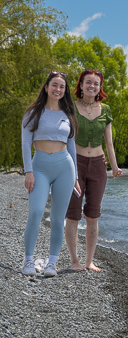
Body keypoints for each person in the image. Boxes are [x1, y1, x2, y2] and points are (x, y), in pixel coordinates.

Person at [21, 71, 80, 277]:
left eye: (62, 87)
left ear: (65, 91)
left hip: (65, 167)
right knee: (36, 212)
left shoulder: (68, 115)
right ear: (46, 87)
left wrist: (76, 178)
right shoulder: (32, 113)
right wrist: (28, 171)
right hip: (39, 167)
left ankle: (52, 263)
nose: (58, 90)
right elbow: (26, 143)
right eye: (54, 85)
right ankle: (28, 260)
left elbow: (72, 148)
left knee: (57, 217)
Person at [65, 69, 122, 272]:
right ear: (81, 85)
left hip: (98, 165)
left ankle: (89, 261)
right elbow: (65, 137)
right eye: (88, 82)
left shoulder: (105, 109)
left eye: (96, 83)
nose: (92, 86)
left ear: (100, 88)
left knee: (93, 214)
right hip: (75, 164)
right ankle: (74, 261)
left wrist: (114, 167)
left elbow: (109, 143)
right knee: (73, 213)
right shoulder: (70, 107)